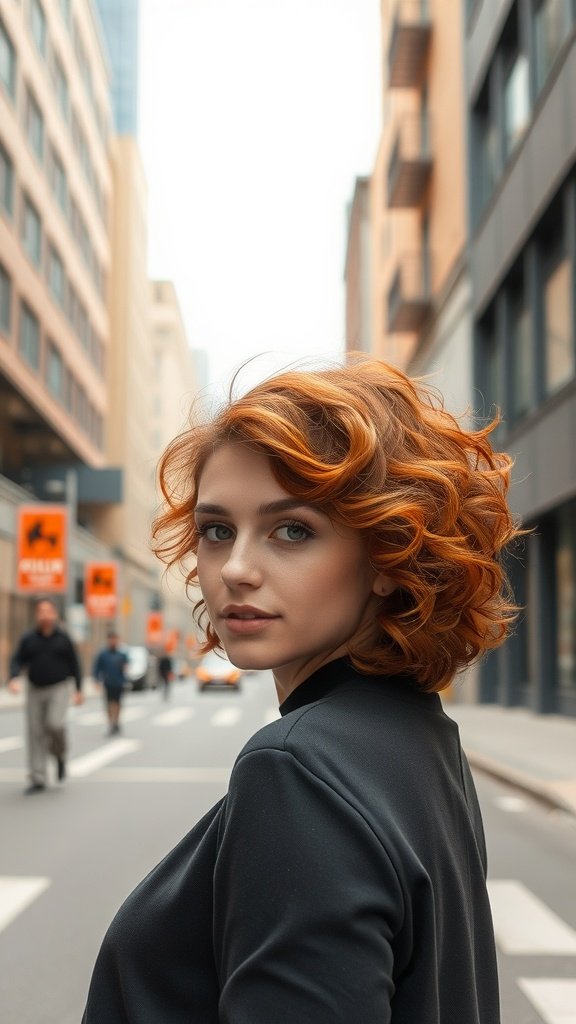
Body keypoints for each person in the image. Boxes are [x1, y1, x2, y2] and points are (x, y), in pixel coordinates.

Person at [83, 359, 522, 1023]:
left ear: (384, 556)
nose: (234, 569)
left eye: (292, 530)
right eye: (216, 529)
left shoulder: (298, 768)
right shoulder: (419, 738)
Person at [8, 597, 84, 793]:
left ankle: (59, 755)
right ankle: (38, 777)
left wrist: (78, 690)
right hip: (34, 688)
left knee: (54, 724)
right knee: (35, 732)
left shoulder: (63, 638)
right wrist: (14, 678)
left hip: (58, 688)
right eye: (40, 612)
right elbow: (17, 660)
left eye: (48, 611)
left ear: (55, 614)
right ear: (37, 615)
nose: (44, 615)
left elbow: (75, 665)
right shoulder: (29, 638)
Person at [92, 631, 128, 735]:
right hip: (108, 682)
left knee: (117, 703)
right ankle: (111, 723)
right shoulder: (103, 654)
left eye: (115, 639)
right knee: (108, 704)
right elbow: (97, 668)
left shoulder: (122, 654)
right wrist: (97, 680)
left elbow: (126, 667)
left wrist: (125, 671)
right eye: (111, 639)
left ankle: (116, 721)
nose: (113, 641)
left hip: (119, 682)